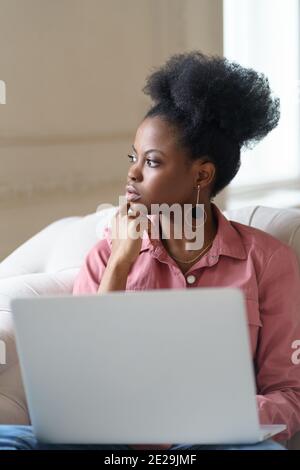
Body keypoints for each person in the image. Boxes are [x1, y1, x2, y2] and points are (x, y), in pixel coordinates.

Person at [1, 51, 299, 451]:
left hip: (210, 443)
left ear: (202, 174)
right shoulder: (108, 256)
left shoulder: (268, 263)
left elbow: (289, 395)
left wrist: (209, 420)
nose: (132, 172)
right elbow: (79, 381)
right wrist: (121, 263)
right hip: (106, 443)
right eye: (133, 157)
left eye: (152, 161)